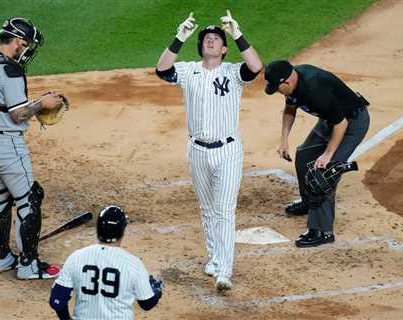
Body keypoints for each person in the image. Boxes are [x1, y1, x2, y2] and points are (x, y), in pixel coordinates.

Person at [155, 10, 262, 290]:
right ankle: (215, 259)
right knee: (207, 209)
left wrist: (237, 33)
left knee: (224, 211)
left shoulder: (233, 72)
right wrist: (180, 36)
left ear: (224, 49)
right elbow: (162, 69)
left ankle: (224, 271)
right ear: (201, 46)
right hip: (198, 151)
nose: (211, 41)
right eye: (207, 39)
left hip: (227, 151)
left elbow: (255, 66)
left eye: (216, 39)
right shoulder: (188, 70)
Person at [0, 17, 64, 279]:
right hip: (7, 145)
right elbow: (18, 115)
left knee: (0, 198)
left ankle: (0, 258)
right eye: (27, 45)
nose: (28, 50)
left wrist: (34, 102)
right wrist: (41, 104)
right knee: (29, 200)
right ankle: (28, 266)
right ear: (19, 42)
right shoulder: (12, 70)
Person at [264, 60, 370, 247]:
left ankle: (322, 231)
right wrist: (284, 140)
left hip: (351, 122)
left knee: (324, 173)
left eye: (277, 87)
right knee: (304, 155)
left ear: (287, 81)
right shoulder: (293, 82)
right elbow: (290, 108)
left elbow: (341, 124)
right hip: (331, 120)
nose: (277, 91)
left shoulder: (314, 90)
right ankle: (308, 202)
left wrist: (328, 155)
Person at [49, 205, 163, 320]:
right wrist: (156, 291)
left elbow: (56, 301)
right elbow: (147, 304)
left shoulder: (76, 257)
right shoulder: (133, 264)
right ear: (122, 232)